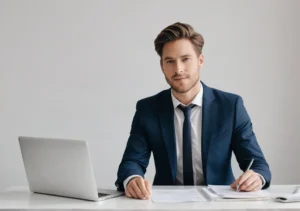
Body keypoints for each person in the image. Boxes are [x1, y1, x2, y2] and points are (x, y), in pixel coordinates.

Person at [115, 22, 271, 200]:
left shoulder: (230, 106)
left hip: (220, 204)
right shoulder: (148, 109)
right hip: (166, 204)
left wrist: (256, 177)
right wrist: (133, 179)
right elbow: (132, 162)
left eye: (185, 59)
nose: (178, 69)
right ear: (162, 66)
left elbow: (258, 163)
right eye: (170, 61)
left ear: (201, 61)